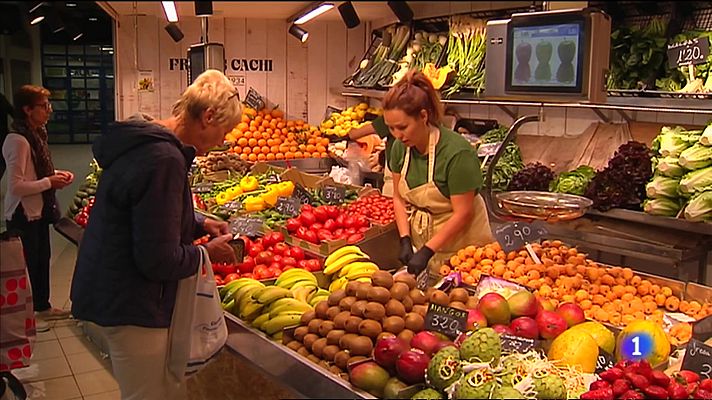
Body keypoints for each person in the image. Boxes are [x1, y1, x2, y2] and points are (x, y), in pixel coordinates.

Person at [70, 69, 240, 400]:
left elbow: (147, 217)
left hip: (113, 293)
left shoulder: (147, 144)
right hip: (133, 304)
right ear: (207, 117)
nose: (223, 141)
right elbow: (158, 260)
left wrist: (199, 225)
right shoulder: (164, 158)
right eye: (225, 130)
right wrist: (207, 254)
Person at [386, 70, 494, 286]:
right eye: (391, 128)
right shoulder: (400, 148)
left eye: (402, 127)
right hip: (427, 243)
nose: (397, 135)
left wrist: (427, 250)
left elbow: (463, 212)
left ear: (424, 116)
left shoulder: (456, 153)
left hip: (463, 246)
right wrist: (405, 239)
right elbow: (398, 197)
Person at [2, 85, 74, 330]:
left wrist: (55, 176)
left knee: (42, 259)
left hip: (38, 209)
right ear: (27, 109)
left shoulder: (37, 135)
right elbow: (16, 186)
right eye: (43, 107)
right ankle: (31, 311)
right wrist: (48, 182)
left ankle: (42, 307)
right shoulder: (18, 141)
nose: (48, 111)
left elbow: (35, 172)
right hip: (23, 213)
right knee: (30, 263)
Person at [0, 92, 14, 178]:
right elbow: (13, 113)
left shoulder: (1, 98)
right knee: (2, 162)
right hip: (2, 136)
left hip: (2, 135)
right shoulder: (1, 98)